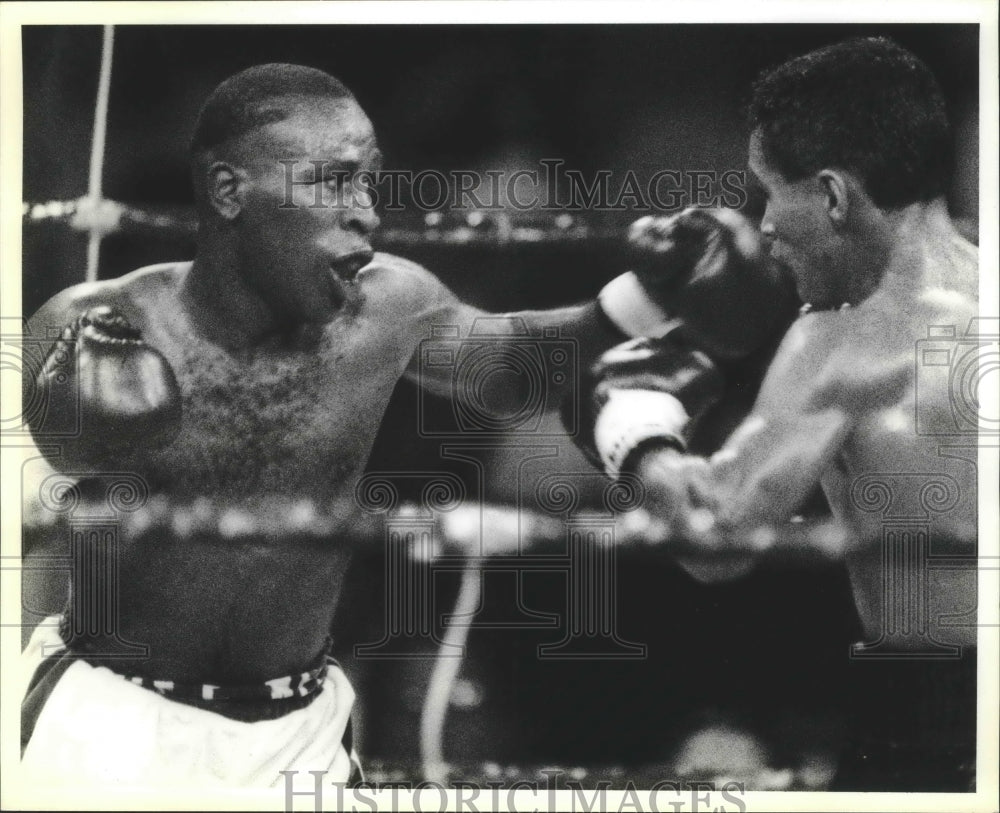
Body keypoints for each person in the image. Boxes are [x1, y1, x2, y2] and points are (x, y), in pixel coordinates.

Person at [20, 64, 794, 788]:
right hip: (115, 713)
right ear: (229, 190)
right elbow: (56, 460)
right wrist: (93, 415)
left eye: (368, 179)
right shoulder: (107, 320)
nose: (365, 208)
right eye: (332, 181)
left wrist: (650, 296)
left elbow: (513, 369)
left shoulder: (387, 306)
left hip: (292, 727)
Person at [573, 37, 979, 790]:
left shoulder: (839, 341)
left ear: (830, 196)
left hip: (935, 724)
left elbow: (714, 540)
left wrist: (634, 422)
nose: (759, 226)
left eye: (767, 193)